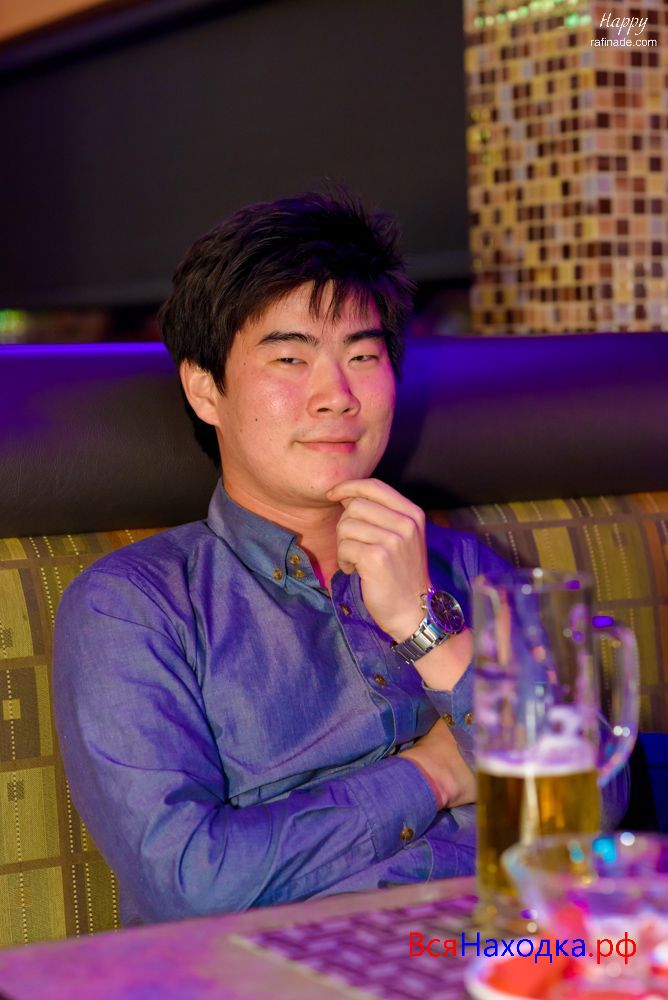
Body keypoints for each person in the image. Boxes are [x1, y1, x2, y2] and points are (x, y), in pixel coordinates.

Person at [53, 191, 625, 927]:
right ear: (204, 389)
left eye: (363, 355)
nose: (337, 395)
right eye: (291, 358)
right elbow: (190, 881)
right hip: (287, 963)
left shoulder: (466, 566)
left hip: (512, 943)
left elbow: (596, 803)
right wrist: (434, 773)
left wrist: (424, 626)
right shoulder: (134, 606)